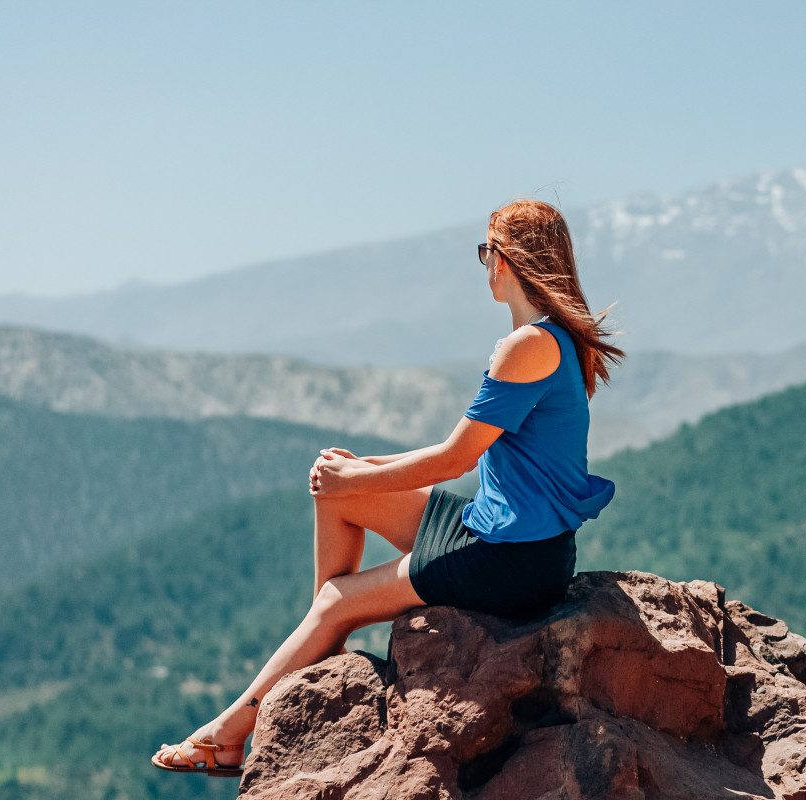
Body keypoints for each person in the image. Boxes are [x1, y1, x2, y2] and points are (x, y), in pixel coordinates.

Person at [152, 198, 624, 777]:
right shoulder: (555, 339)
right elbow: (461, 452)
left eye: (484, 252)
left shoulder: (526, 346)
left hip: (510, 558)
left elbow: (454, 458)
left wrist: (362, 473)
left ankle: (226, 735)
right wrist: (357, 471)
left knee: (336, 593)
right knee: (337, 490)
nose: (484, 266)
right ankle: (325, 642)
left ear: (503, 260)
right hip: (510, 535)